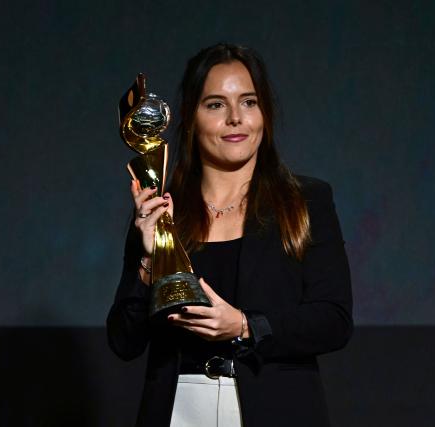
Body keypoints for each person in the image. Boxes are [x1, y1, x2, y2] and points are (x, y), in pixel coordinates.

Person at [107, 43, 353, 427]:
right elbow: (124, 342)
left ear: (265, 114)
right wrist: (147, 262)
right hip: (178, 411)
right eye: (216, 104)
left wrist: (243, 325)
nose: (236, 118)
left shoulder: (306, 201)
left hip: (277, 409)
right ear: (191, 117)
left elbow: (333, 320)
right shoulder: (161, 209)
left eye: (249, 102)